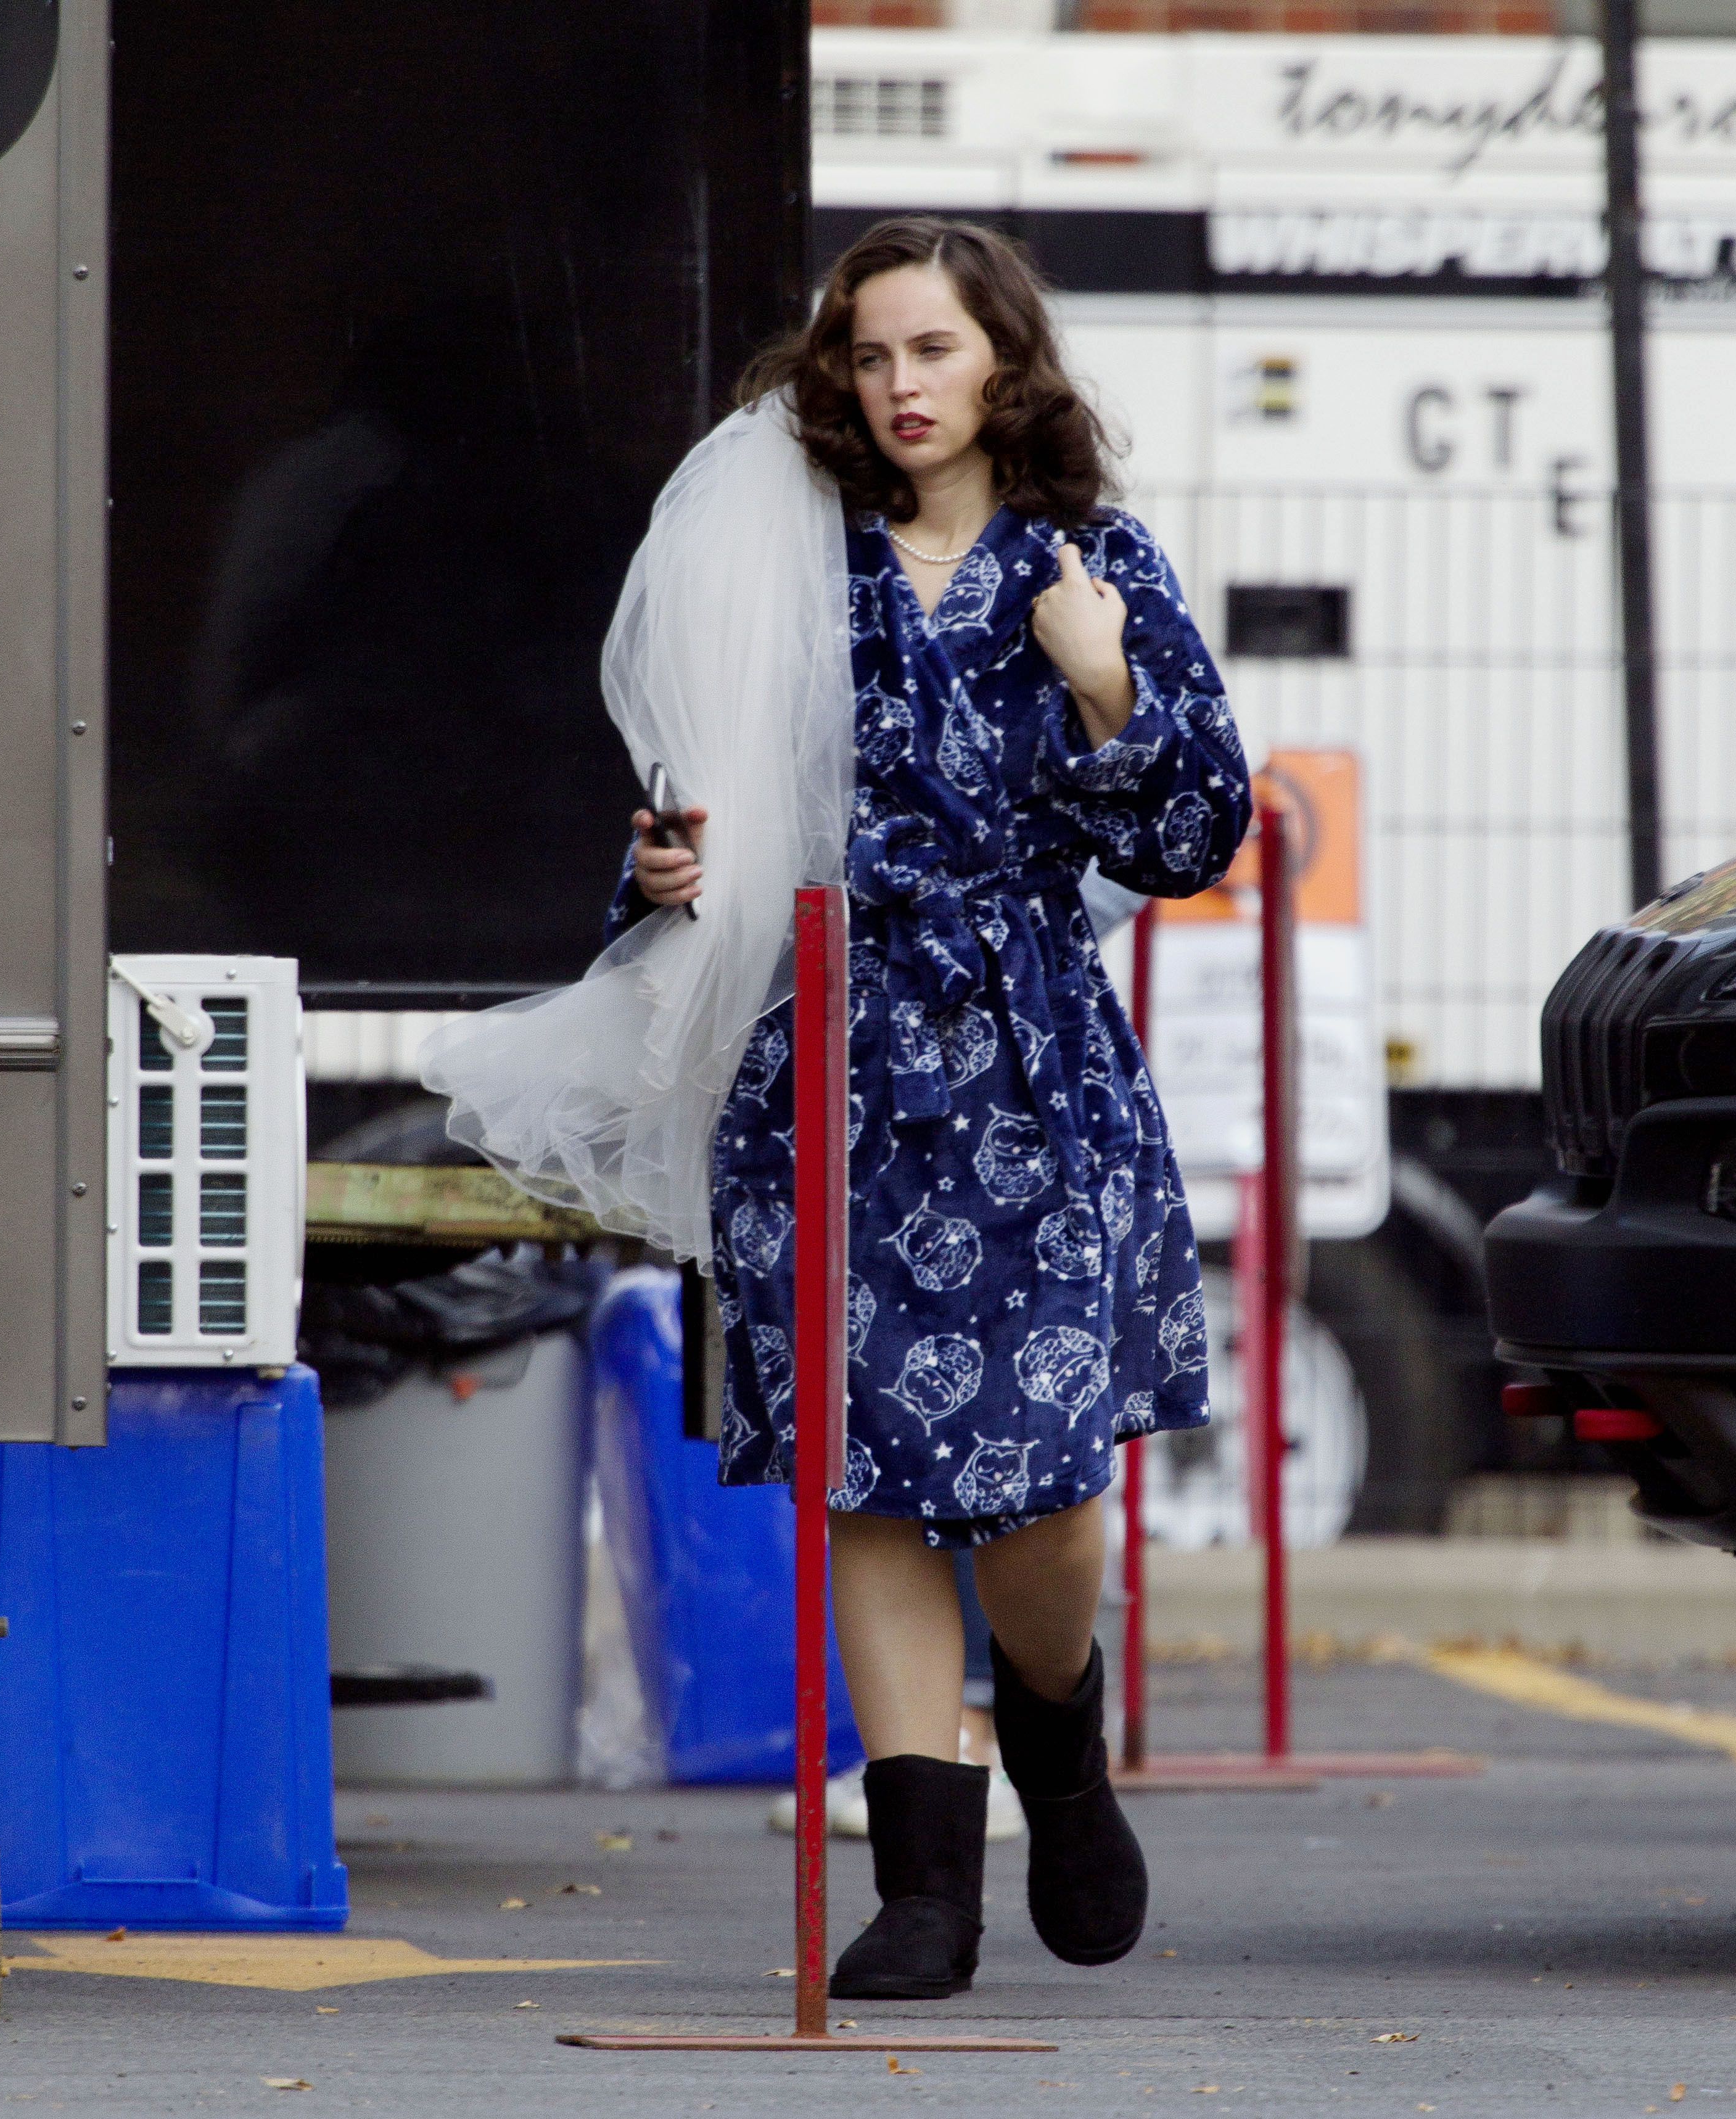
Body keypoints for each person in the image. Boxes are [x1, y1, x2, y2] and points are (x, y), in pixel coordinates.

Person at [615, 218, 1251, 1999]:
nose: (901, 386)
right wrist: (665, 868)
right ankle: (925, 1892)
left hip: (1029, 1061)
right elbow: (695, 811)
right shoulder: (785, 563)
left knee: (1047, 1478)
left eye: (936, 350)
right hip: (820, 1054)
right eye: (872, 354)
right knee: (865, 1473)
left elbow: (1196, 834)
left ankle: (1056, 1724)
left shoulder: (1092, 558)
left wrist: (1103, 676)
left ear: (1003, 364)